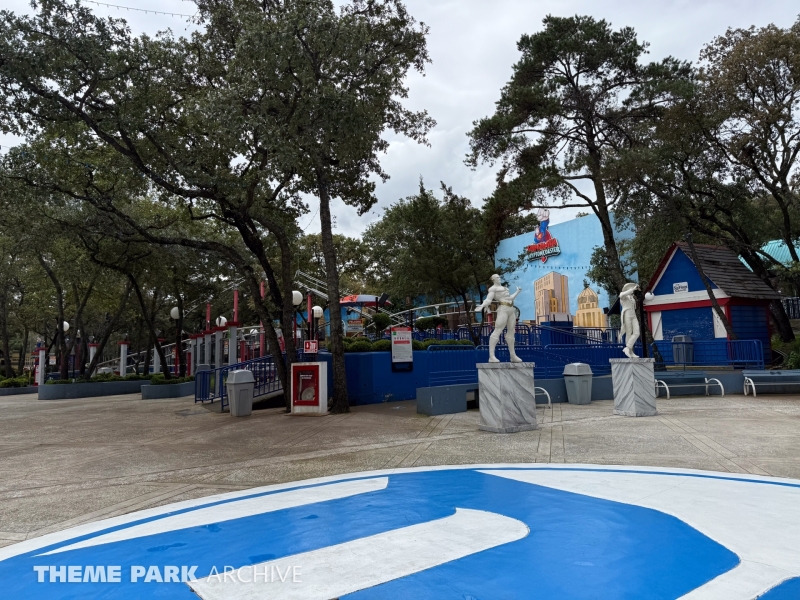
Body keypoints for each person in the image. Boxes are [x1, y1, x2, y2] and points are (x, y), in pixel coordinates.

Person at [475, 274, 522, 363]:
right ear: (493, 279)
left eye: (499, 277)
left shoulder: (505, 288)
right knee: (498, 330)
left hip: (511, 309)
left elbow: (510, 298)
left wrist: (517, 291)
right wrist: (482, 305)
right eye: (497, 277)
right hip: (503, 309)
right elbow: (489, 299)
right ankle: (491, 356)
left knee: (511, 331)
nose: (499, 278)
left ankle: (513, 355)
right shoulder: (493, 289)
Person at [619, 282, 641, 358]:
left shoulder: (632, 297)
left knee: (637, 332)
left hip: (633, 314)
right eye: (630, 288)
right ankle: (630, 352)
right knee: (629, 333)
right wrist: (633, 289)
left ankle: (627, 348)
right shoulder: (623, 295)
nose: (632, 291)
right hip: (627, 313)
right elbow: (622, 295)